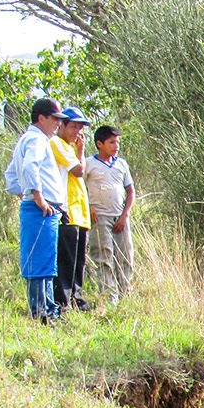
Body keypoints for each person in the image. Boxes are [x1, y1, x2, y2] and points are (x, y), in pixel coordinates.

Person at [3, 97, 67, 323]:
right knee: (41, 264)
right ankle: (43, 313)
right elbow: (30, 166)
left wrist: (23, 192)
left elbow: (10, 175)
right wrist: (38, 197)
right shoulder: (38, 140)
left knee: (43, 262)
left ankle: (47, 309)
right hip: (42, 209)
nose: (58, 124)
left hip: (38, 207)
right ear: (42, 118)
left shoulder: (26, 139)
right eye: (55, 119)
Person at [83, 124, 136, 306]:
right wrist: (89, 207)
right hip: (100, 217)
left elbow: (130, 191)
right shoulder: (89, 163)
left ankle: (125, 297)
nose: (116, 146)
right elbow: (80, 187)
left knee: (125, 257)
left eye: (117, 142)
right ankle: (108, 299)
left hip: (119, 217)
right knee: (104, 257)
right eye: (111, 142)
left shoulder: (121, 163)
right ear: (99, 143)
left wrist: (125, 215)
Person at [50, 107, 93, 312]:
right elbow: (78, 170)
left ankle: (77, 298)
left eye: (80, 128)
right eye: (73, 126)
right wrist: (81, 153)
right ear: (62, 125)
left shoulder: (68, 147)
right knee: (66, 261)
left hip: (79, 212)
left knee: (78, 261)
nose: (77, 131)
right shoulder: (57, 144)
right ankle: (63, 302)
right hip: (67, 210)